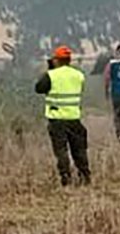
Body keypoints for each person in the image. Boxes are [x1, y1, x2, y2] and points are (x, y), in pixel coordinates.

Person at [35, 46, 91, 186]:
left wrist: (49, 70)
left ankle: (66, 177)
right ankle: (85, 176)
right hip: (74, 118)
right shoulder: (79, 75)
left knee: (61, 150)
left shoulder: (51, 75)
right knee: (79, 150)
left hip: (57, 120)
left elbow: (39, 88)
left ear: (56, 60)